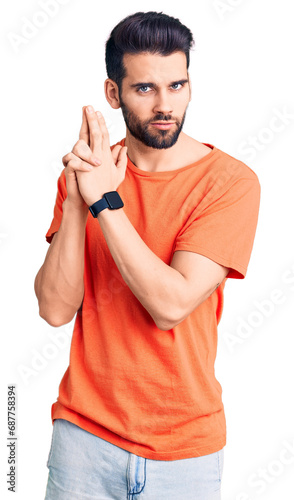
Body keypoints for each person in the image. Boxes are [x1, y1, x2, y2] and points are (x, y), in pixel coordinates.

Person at [35, 11, 260, 500]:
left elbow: (171, 305)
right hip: (82, 442)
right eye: (145, 89)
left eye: (177, 86)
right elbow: (54, 309)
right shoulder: (85, 176)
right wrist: (77, 200)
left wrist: (104, 203)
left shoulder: (230, 183)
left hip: (185, 455)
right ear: (113, 93)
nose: (165, 105)